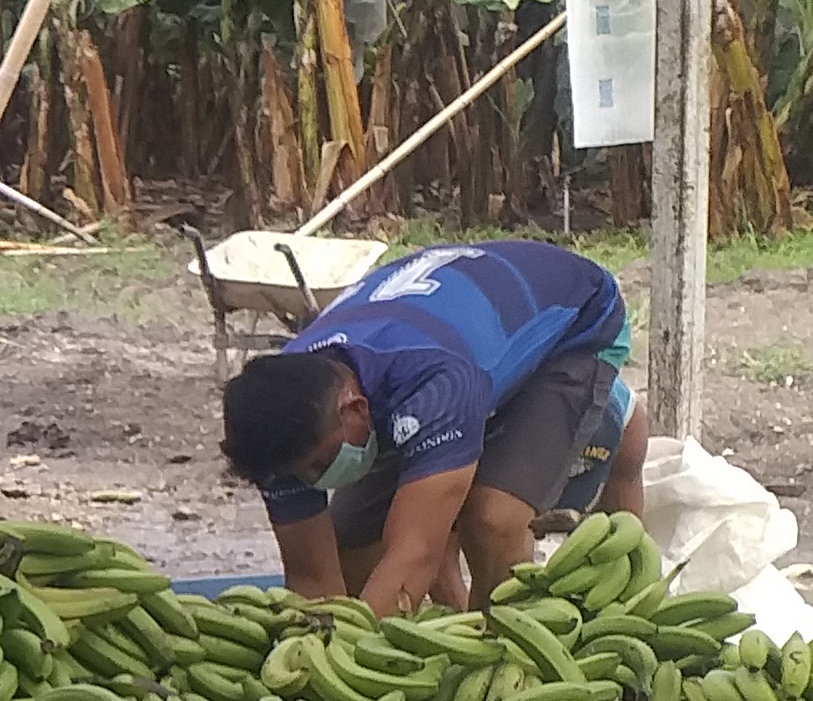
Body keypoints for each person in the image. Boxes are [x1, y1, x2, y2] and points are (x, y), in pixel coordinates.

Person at [218, 238, 649, 614]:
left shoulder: (437, 386)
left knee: (493, 518)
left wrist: (350, 653)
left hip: (574, 323)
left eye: (319, 464)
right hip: (437, 334)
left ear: (355, 408)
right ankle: (457, 623)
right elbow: (312, 578)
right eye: (300, 475)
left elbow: (414, 555)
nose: (314, 480)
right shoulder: (280, 407)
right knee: (352, 542)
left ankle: (501, 651)